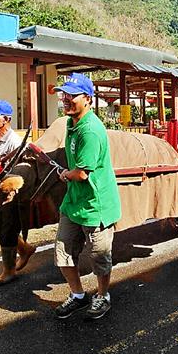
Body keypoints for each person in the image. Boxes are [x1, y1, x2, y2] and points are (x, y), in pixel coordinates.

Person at [53, 73, 122, 320]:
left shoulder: (90, 130)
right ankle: (79, 295)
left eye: (73, 95)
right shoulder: (71, 123)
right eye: (65, 95)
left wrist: (64, 174)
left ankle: (102, 296)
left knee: (99, 257)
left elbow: (81, 174)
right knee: (63, 251)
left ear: (88, 99)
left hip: (96, 205)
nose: (66, 99)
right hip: (73, 203)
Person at [0, 99, 36, 285]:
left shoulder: (16, 142)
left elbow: (21, 170)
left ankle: (9, 271)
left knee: (8, 230)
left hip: (11, 192)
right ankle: (25, 249)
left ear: (7, 119)